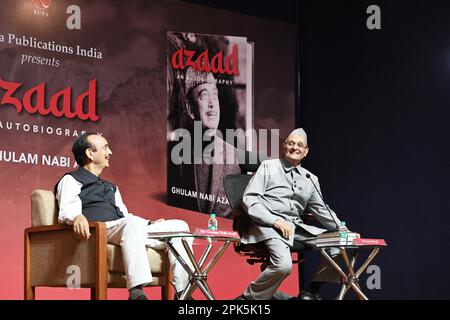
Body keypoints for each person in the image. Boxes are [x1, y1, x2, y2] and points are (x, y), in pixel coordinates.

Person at [55, 132, 193, 300]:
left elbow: (125, 216)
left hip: (123, 229)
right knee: (132, 224)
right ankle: (136, 291)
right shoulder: (72, 179)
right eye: (105, 147)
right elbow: (66, 209)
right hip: (100, 230)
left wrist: (150, 223)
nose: (110, 152)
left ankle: (183, 294)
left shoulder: (111, 187)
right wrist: (77, 217)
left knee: (180, 227)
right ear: (90, 153)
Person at [237, 128, 347, 300]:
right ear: (284, 146)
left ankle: (310, 291)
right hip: (268, 225)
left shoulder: (310, 178)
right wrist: (274, 221)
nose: (295, 147)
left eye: (300, 145)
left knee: (339, 243)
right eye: (291, 143)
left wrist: (342, 229)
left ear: (306, 151)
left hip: (296, 227)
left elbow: (321, 209)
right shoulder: (269, 166)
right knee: (283, 266)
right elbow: (250, 199)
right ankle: (248, 299)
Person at [167, 66, 241, 217]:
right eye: (204, 96)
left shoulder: (236, 159)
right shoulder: (174, 158)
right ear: (190, 108)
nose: (212, 103)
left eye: (215, 96)